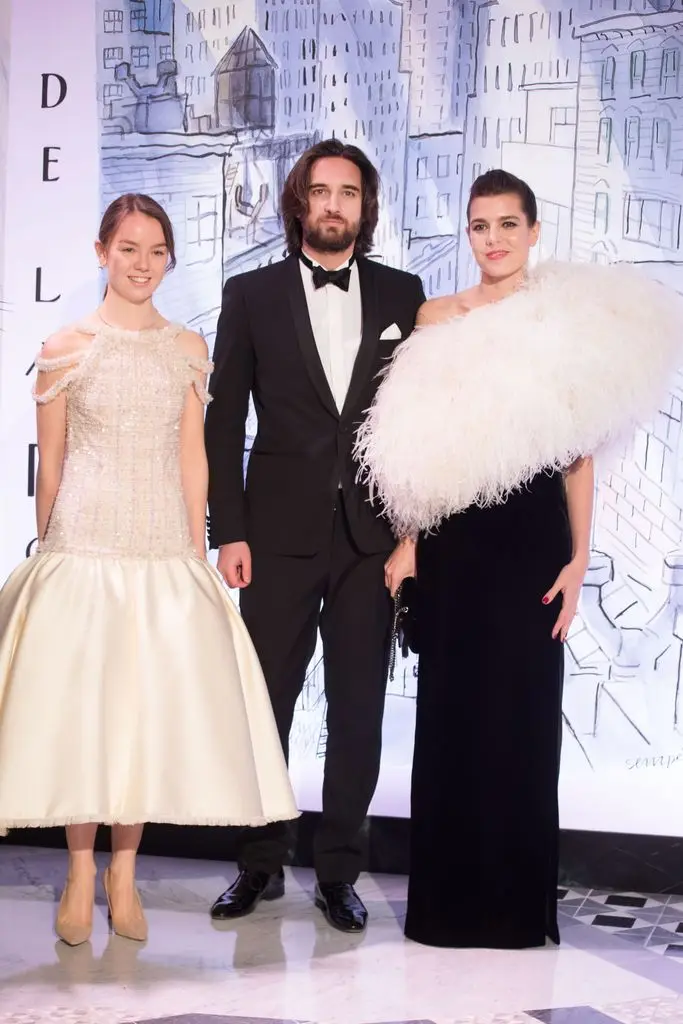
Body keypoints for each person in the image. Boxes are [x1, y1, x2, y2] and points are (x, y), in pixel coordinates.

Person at [355, 169, 683, 949]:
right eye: (479, 226)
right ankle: (444, 910)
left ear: (534, 231)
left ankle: (510, 911)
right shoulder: (435, 316)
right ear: (466, 234)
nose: (493, 239)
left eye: (507, 224)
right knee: (449, 720)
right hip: (455, 543)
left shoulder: (560, 321)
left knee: (521, 721)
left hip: (532, 540)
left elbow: (577, 457)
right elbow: (413, 444)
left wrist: (578, 559)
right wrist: (407, 544)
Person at [0, 193, 298, 946]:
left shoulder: (188, 348)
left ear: (170, 259)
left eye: (156, 250)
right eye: (128, 248)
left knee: (140, 714)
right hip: (84, 544)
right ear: (101, 252)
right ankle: (77, 872)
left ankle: (123, 877)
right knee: (81, 714)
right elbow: (52, 461)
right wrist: (49, 548)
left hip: (161, 545)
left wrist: (193, 542)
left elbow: (195, 453)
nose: (142, 264)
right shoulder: (66, 345)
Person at [204, 139, 426, 932]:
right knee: (265, 705)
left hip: (369, 541)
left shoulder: (406, 292)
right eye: (321, 192)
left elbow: (415, 427)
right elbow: (223, 418)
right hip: (272, 535)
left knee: (359, 709)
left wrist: (410, 536)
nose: (334, 205)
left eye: (349, 194)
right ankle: (258, 862)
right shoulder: (250, 294)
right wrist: (226, 530)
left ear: (365, 209)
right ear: (299, 202)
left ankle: (339, 872)